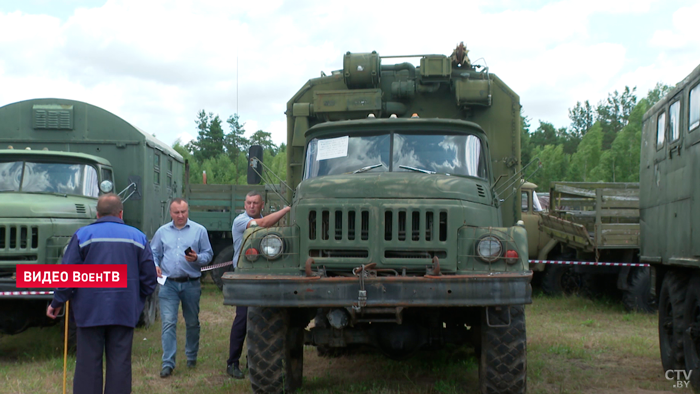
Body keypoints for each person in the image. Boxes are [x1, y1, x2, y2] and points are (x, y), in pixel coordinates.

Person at [46, 193, 157, 394]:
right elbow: (149, 278)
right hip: (124, 310)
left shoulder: (82, 235)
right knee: (120, 363)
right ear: (121, 213)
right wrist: (137, 299)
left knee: (88, 364)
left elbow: (67, 274)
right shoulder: (138, 237)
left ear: (97, 214)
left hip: (89, 311)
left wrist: (57, 301)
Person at [226, 190, 290, 379]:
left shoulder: (267, 219)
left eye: (255, 203)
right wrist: (286, 210)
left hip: (264, 274)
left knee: (266, 317)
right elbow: (262, 224)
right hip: (244, 275)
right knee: (243, 318)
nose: (252, 206)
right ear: (244, 205)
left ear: (262, 205)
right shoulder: (241, 221)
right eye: (249, 203)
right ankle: (232, 362)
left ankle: (254, 358)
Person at [151, 198, 213, 378]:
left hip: (191, 283)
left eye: (183, 212)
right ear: (170, 213)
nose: (180, 215)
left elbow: (208, 254)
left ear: (188, 211)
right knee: (169, 322)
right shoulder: (162, 232)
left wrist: (198, 258)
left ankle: (191, 357)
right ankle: (168, 363)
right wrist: (154, 264)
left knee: (192, 322)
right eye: (177, 212)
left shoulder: (199, 231)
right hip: (168, 283)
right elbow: (153, 252)